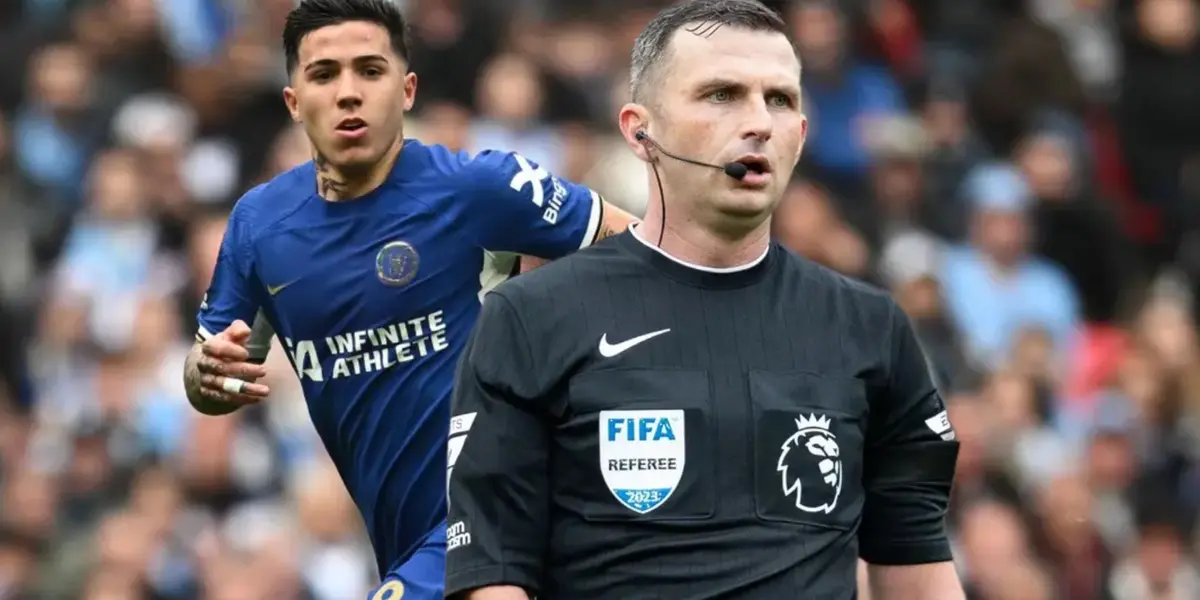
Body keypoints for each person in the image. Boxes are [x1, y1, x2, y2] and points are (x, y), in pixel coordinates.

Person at [444, 1, 964, 599]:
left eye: (780, 99)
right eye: (722, 94)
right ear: (641, 132)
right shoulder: (531, 318)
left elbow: (919, 574)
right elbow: (492, 578)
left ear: (801, 133)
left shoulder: (871, 327)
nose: (759, 123)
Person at [180, 0, 634, 598]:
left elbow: (643, 250)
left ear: (407, 89)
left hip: (501, 509)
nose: (349, 93)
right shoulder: (258, 227)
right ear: (293, 101)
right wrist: (206, 375)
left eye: (370, 71)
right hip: (406, 538)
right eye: (324, 75)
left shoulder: (478, 188)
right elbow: (207, 378)